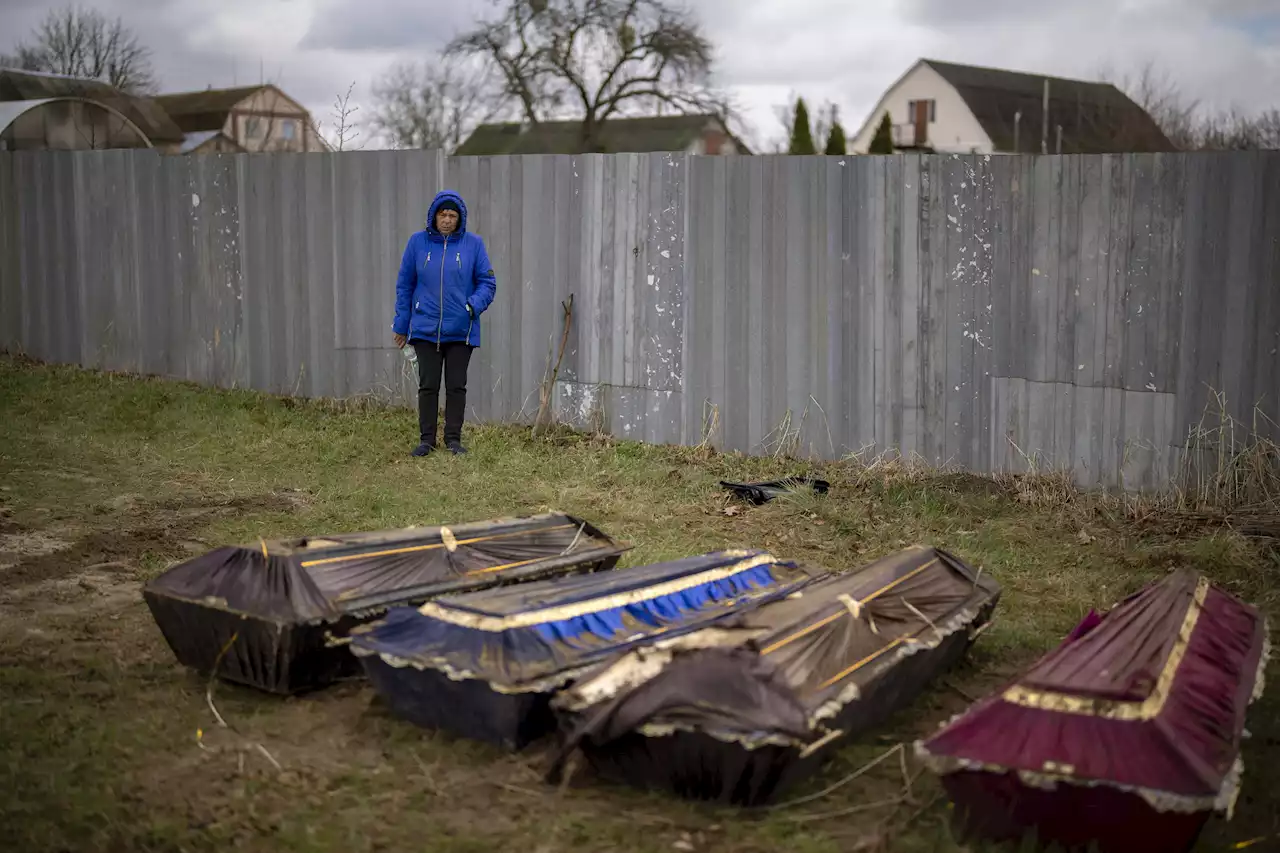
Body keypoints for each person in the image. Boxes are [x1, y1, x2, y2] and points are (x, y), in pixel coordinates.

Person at [392, 190, 497, 456]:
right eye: (443, 214)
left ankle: (453, 440)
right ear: (434, 216)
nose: (448, 219)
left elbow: (488, 282)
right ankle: (426, 440)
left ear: (460, 219)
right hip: (425, 328)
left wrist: (472, 305)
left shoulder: (474, 245)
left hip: (461, 330)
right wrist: (401, 325)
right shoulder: (417, 243)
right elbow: (405, 285)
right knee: (428, 386)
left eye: (452, 215)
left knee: (456, 386)